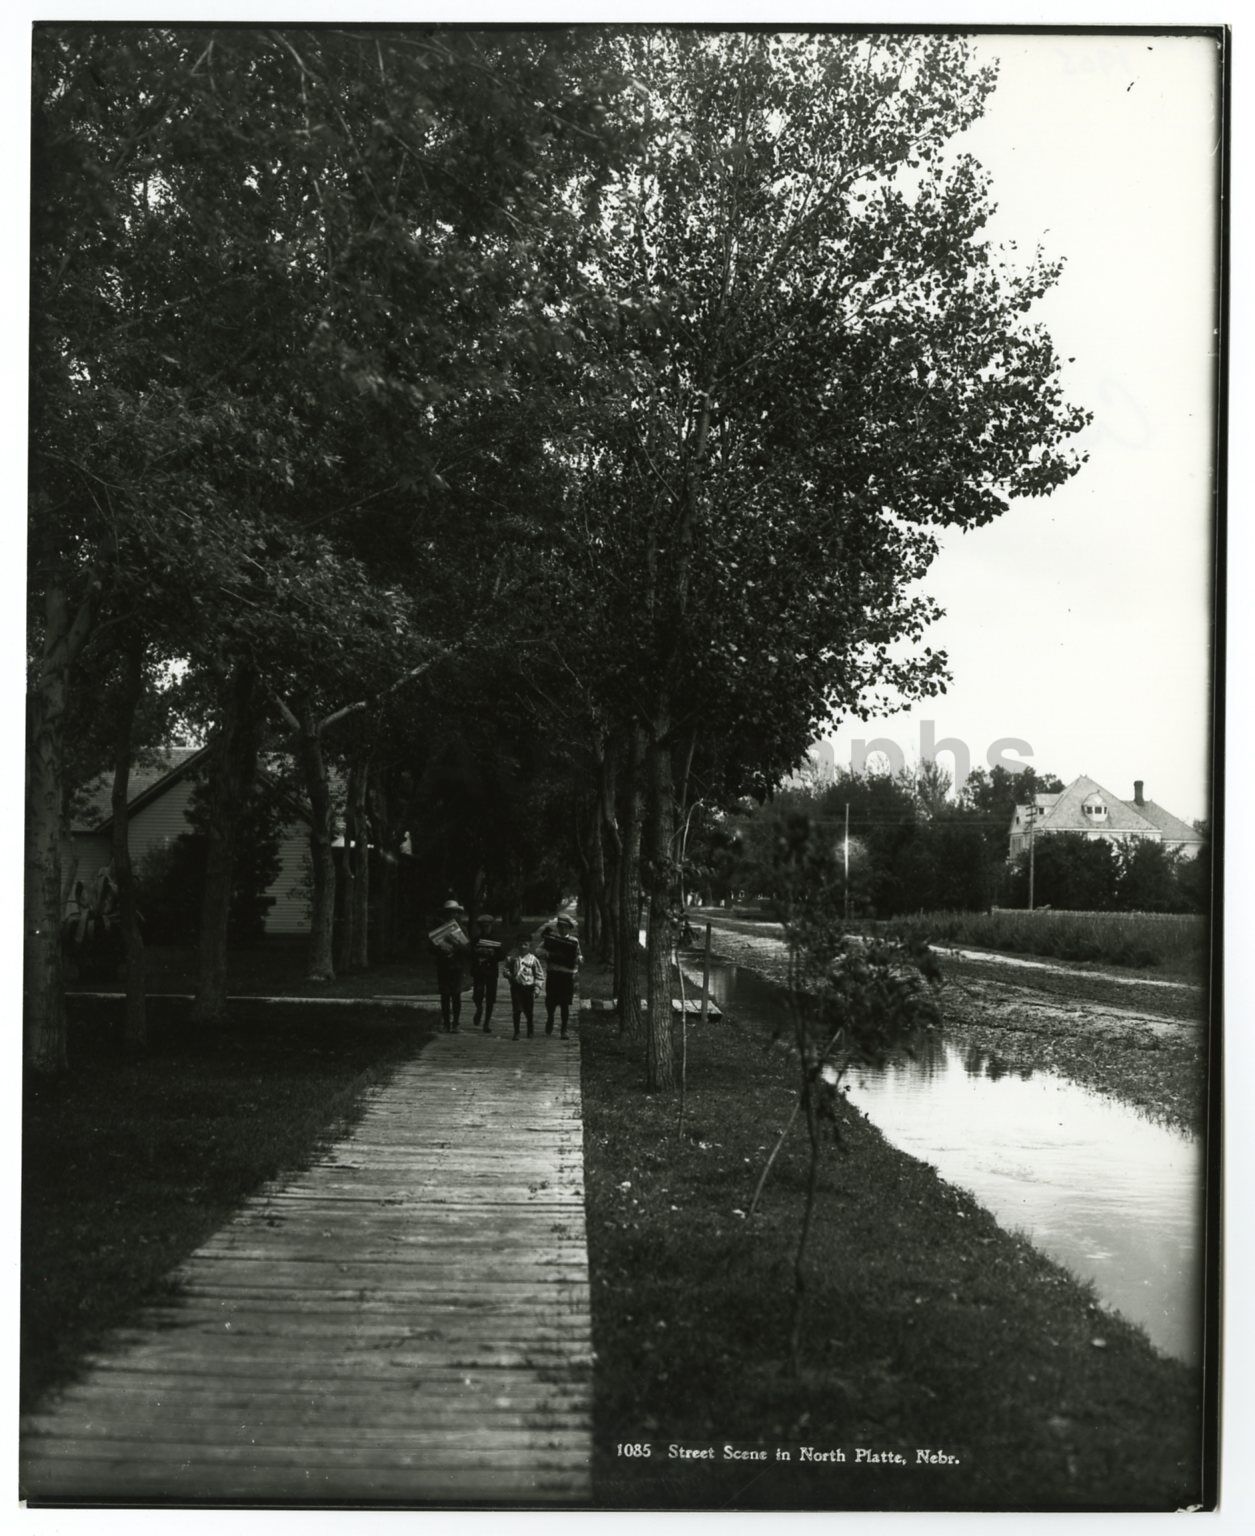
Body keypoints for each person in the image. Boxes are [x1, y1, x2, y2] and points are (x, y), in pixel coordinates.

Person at [428, 899, 469, 1033]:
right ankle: (446, 1023)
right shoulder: (438, 929)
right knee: (445, 995)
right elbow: (431, 948)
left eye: (454, 913)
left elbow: (467, 949)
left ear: (458, 914)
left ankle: (455, 1023)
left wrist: (455, 944)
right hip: (443, 965)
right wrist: (440, 947)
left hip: (457, 965)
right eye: (449, 913)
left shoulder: (462, 929)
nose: (452, 915)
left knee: (456, 994)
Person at [542, 913, 582, 1039]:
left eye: (565, 928)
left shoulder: (574, 941)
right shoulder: (551, 939)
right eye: (560, 927)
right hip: (553, 973)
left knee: (565, 1004)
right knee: (550, 1001)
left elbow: (579, 954)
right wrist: (547, 954)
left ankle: (564, 1030)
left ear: (569, 929)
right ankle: (550, 1018)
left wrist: (580, 959)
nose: (563, 930)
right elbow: (539, 951)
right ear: (557, 927)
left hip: (566, 975)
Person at [471, 914, 505, 1033]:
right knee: (477, 995)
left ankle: (486, 1023)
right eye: (483, 926)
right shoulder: (475, 939)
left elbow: (502, 955)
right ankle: (479, 1009)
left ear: (491, 926)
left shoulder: (496, 940)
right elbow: (470, 954)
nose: (486, 928)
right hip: (479, 971)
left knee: (490, 998)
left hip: (491, 971)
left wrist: (492, 954)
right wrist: (478, 952)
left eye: (488, 926)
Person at [508, 933, 544, 1040]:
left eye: (525, 944)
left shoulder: (533, 960)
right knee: (516, 1010)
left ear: (530, 946)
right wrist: (508, 974)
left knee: (529, 1011)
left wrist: (537, 988)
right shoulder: (513, 958)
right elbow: (506, 969)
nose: (522, 946)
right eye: (520, 944)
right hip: (516, 987)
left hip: (529, 987)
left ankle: (530, 1030)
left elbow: (539, 974)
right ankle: (516, 1031)